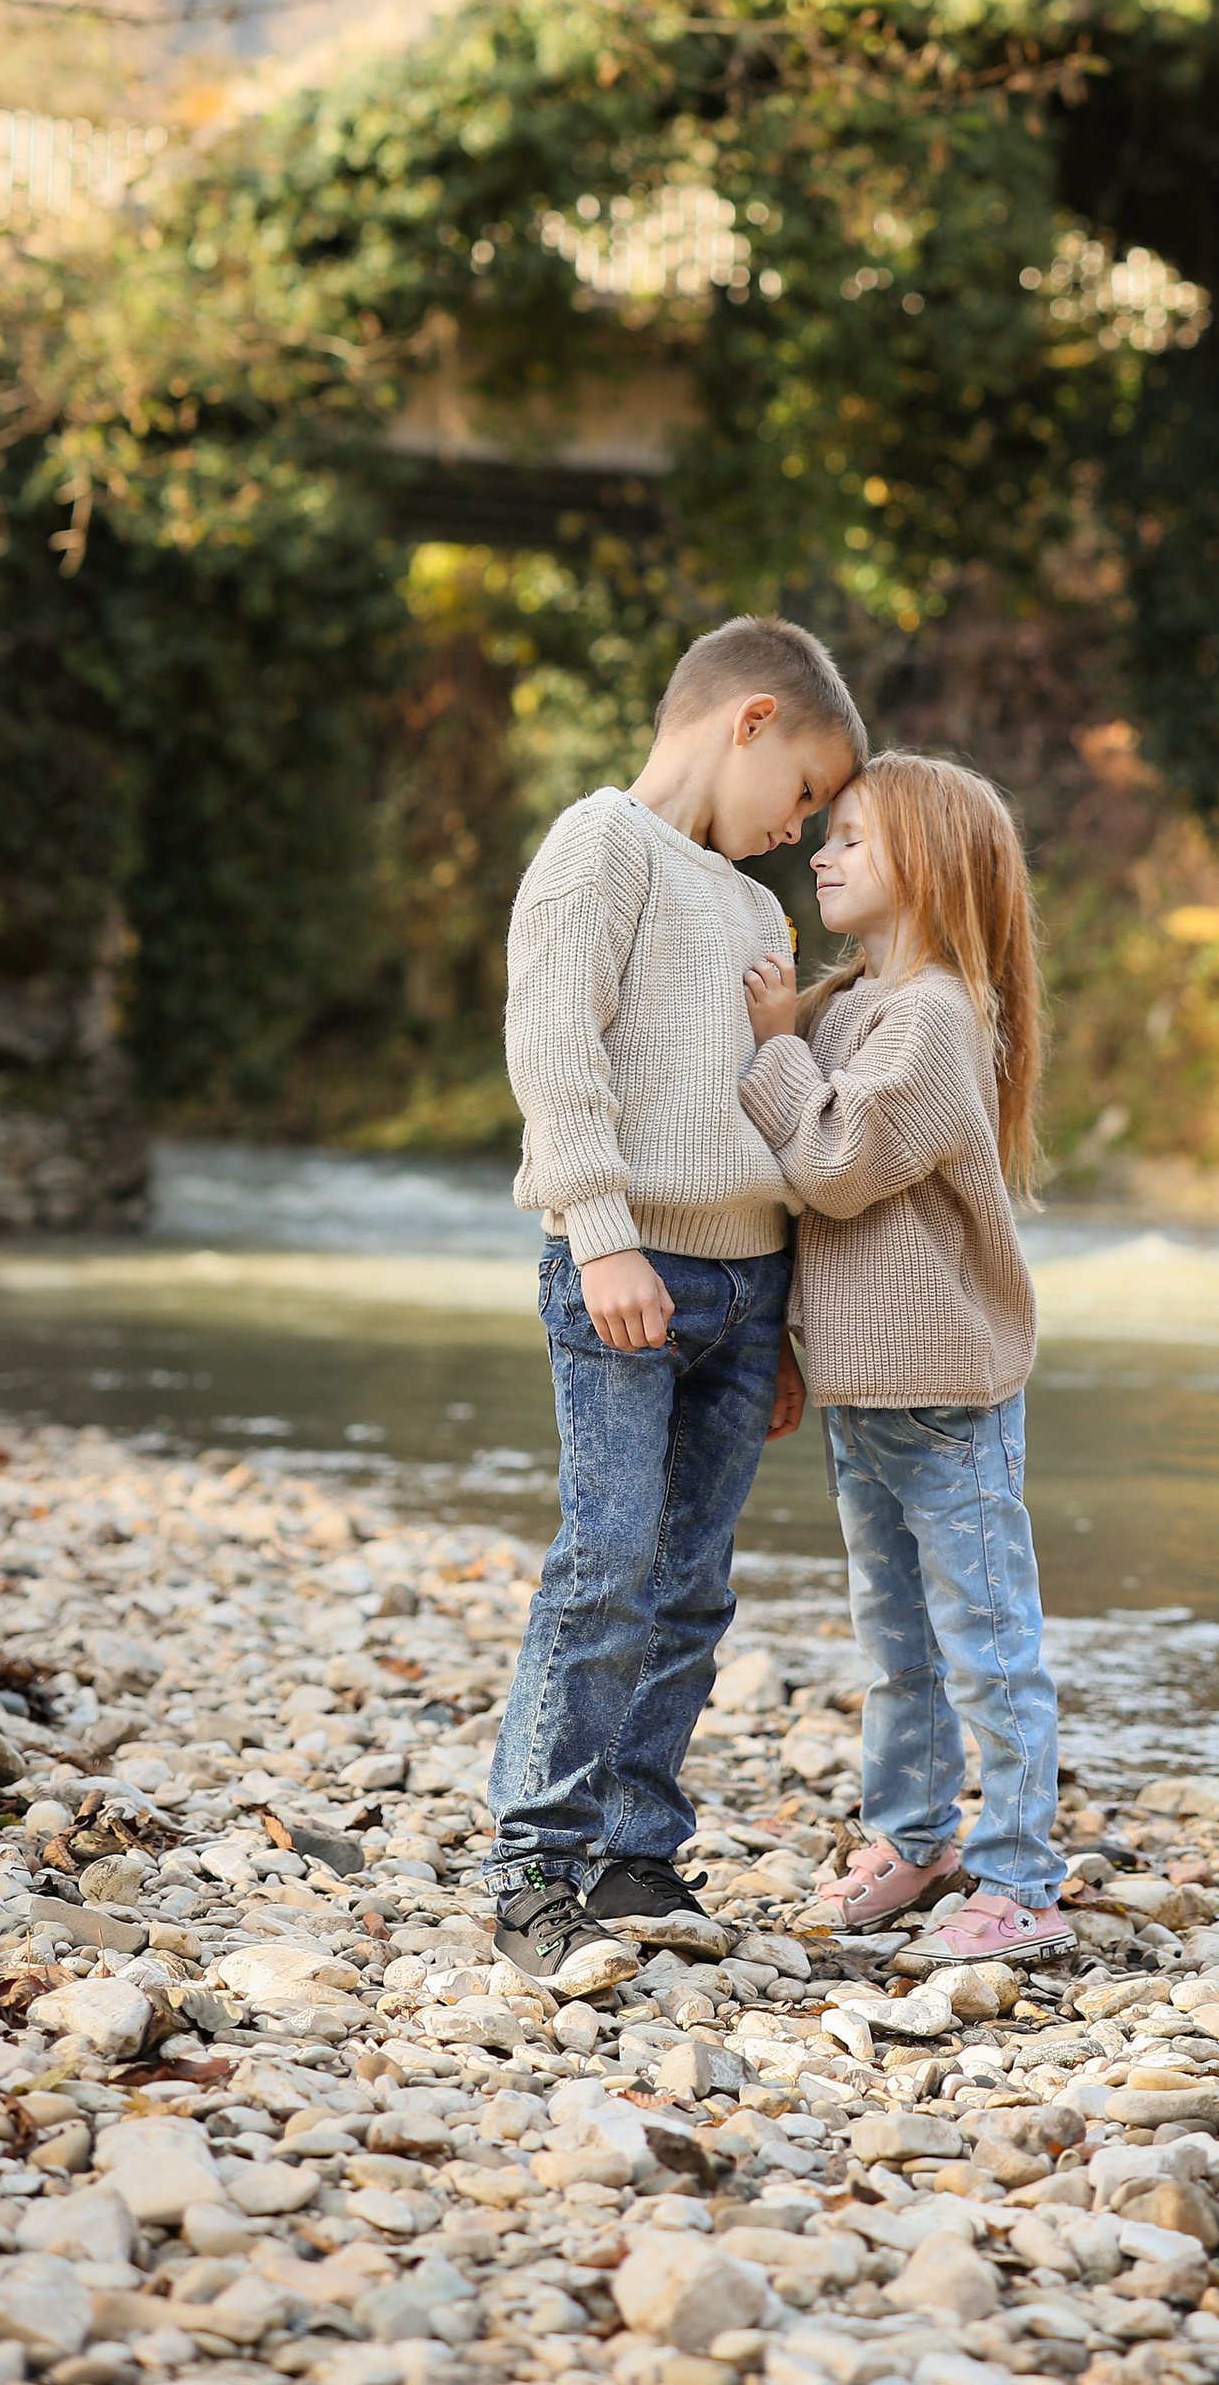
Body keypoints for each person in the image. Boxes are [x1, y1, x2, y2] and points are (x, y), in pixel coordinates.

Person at [485, 613, 867, 1995]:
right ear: (749, 721)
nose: (799, 831)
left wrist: (791, 1329)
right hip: (628, 1265)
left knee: (693, 1581)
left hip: (747, 1283)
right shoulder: (603, 846)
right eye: (805, 794)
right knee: (607, 1559)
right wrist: (600, 1236)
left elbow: (776, 1116)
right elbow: (552, 1047)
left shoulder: (753, 907)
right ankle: (537, 1858)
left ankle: (639, 1845)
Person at [737, 751, 1070, 1962]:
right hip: (862, 1390)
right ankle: (915, 1834)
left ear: (924, 867)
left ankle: (1023, 1880)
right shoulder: (844, 1005)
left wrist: (774, 1045)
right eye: (820, 834)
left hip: (946, 1394)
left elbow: (828, 1166)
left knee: (985, 1638)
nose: (817, 854)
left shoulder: (933, 1017)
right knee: (894, 1638)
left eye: (850, 840)